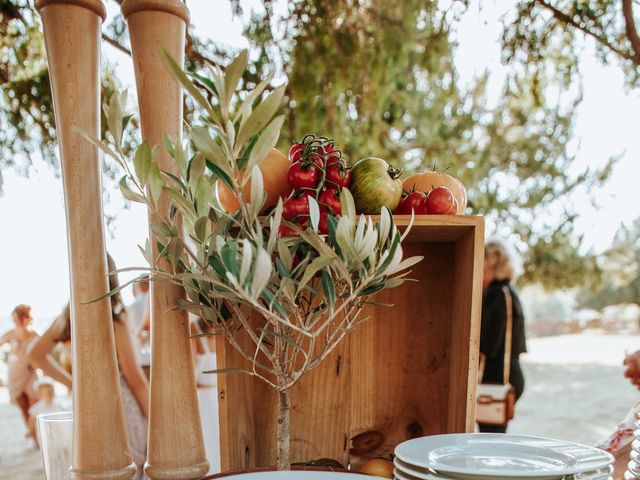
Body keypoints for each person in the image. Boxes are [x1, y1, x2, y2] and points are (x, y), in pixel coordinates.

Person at [27, 254, 149, 479]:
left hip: (85, 407)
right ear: (111, 279)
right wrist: (155, 424)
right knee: (128, 468)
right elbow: (136, 380)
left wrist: (73, 384)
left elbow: (35, 354)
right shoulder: (114, 323)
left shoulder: (67, 320)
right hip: (120, 407)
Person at [478, 239, 527, 433]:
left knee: (489, 443)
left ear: (490, 263)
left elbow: (487, 343)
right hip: (508, 374)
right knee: (493, 440)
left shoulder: (497, 294)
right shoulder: (509, 291)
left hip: (497, 378)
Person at [0, 304, 39, 436]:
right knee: (23, 407)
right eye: (13, 317)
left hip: (31, 372)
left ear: (24, 317)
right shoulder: (11, 334)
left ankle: (34, 433)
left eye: (16, 317)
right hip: (15, 373)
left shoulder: (34, 334)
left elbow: (42, 353)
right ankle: (34, 438)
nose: (14, 320)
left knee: (34, 406)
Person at [191, 316, 220, 474]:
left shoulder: (227, 326)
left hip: (222, 397)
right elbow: (189, 374)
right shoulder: (194, 329)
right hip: (203, 399)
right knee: (208, 445)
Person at [27, 379, 66, 447]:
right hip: (45, 430)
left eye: (52, 392)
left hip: (57, 429)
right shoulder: (37, 408)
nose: (51, 394)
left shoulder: (59, 405)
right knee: (46, 444)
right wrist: (31, 431)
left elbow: (64, 416)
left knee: (59, 443)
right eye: (48, 393)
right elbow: (31, 420)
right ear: (40, 395)